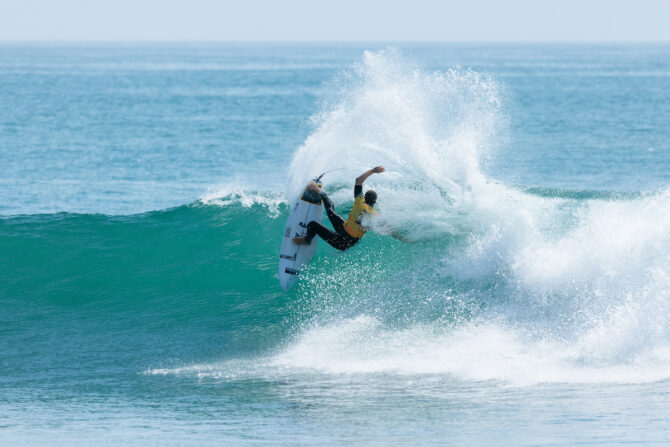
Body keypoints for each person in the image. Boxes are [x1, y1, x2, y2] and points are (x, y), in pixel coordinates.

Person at [293, 166, 385, 251]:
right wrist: (399, 236)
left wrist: (373, 170)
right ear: (375, 202)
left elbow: (358, 180)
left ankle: (307, 240)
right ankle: (321, 193)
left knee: (313, 224)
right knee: (331, 212)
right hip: (347, 233)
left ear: (365, 197)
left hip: (342, 242)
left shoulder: (360, 201)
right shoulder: (376, 216)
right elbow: (387, 228)